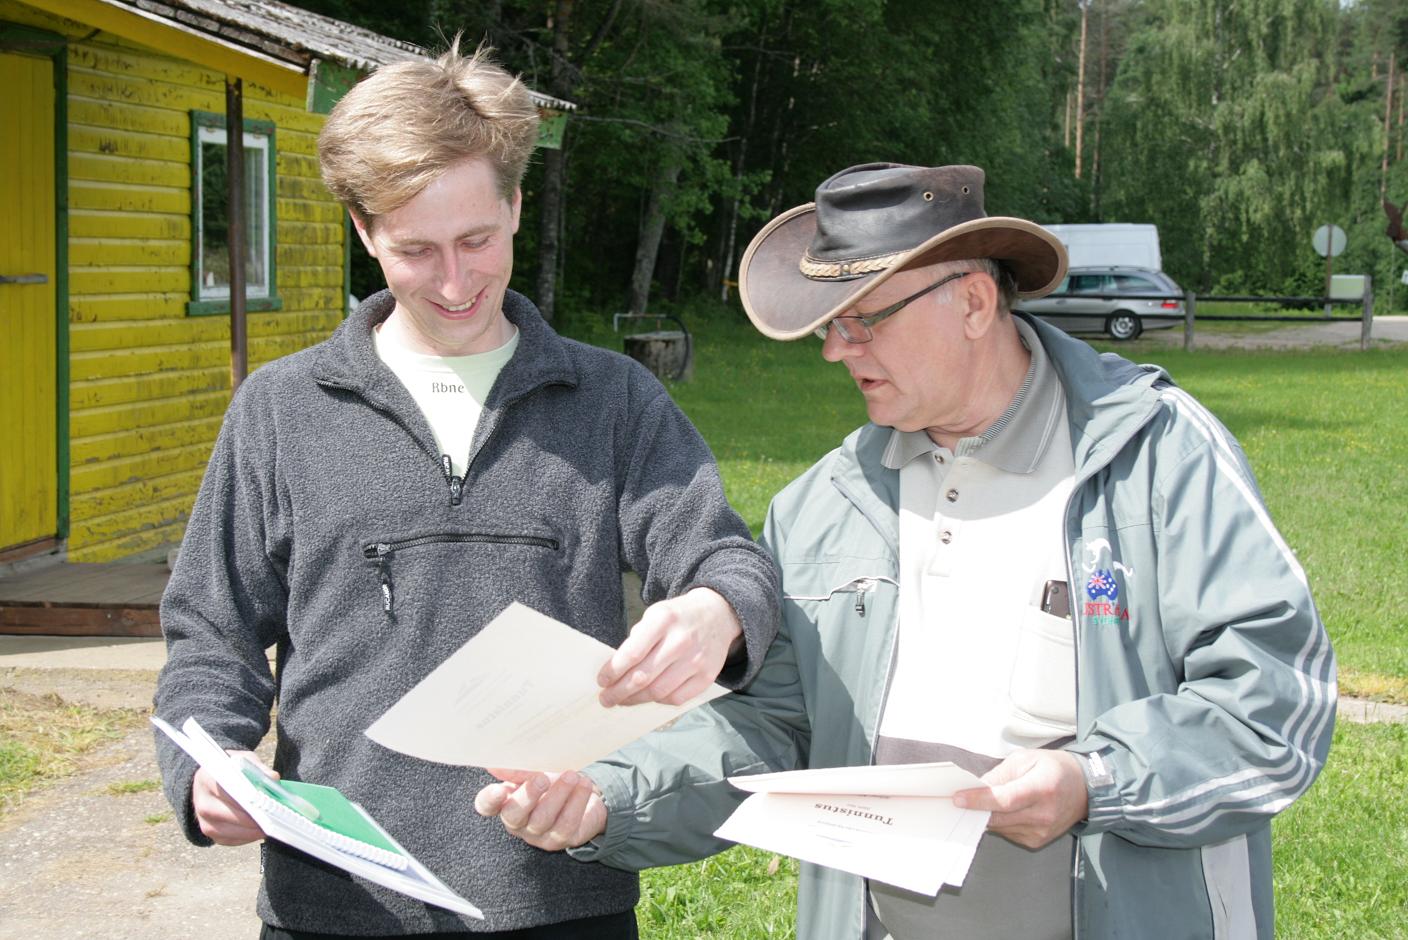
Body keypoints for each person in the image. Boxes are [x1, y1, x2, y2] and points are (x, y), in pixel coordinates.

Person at [474, 163, 1337, 940]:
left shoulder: (1156, 454)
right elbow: (771, 727)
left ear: (972, 302)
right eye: (828, 323)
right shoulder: (825, 503)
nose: (836, 349)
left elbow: (1276, 705)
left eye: (863, 320)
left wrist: (1093, 781)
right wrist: (608, 797)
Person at [153, 42, 779, 939]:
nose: (455, 282)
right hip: (333, 906)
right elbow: (211, 635)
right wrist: (208, 768)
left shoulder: (613, 400)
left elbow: (724, 555)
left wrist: (719, 607)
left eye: (478, 240)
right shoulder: (281, 411)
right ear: (365, 232)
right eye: (416, 250)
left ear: (518, 205)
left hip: (560, 895)